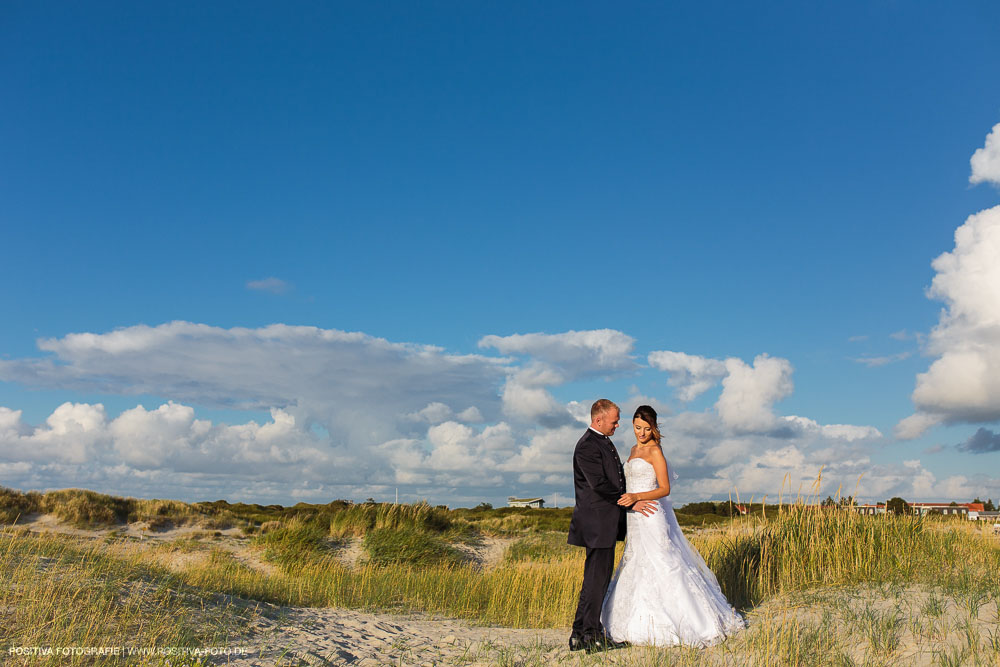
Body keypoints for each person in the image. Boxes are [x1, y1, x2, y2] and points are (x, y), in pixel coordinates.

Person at [600, 405, 746, 647]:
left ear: (654, 428)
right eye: (638, 428)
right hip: (634, 517)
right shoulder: (633, 449)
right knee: (635, 561)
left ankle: (691, 621)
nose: (642, 433)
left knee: (663, 562)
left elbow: (665, 489)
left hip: (651, 514)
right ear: (633, 425)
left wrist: (637, 497)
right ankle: (630, 621)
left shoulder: (656, 451)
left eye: (647, 429)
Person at [567, 399, 658, 653]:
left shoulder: (601, 441)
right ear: (599, 420)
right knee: (597, 581)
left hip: (602, 523)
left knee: (593, 580)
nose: (618, 425)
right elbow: (600, 485)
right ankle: (593, 636)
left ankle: (579, 634)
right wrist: (630, 504)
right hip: (597, 523)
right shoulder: (587, 446)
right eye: (614, 421)